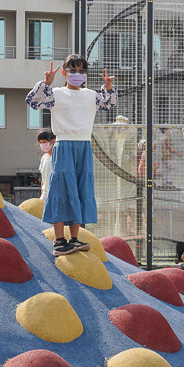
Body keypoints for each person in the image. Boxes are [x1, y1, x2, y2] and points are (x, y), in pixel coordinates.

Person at [26, 54, 116, 256]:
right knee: (60, 190)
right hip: (64, 145)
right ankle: (59, 240)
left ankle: (74, 239)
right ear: (64, 73)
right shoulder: (55, 93)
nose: (77, 74)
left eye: (82, 70)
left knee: (81, 189)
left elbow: (109, 105)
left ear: (86, 74)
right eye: (72, 70)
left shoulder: (91, 95)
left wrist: (108, 89)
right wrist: (45, 83)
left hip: (84, 146)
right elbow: (32, 101)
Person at [36, 129, 56, 200]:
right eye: (40, 143)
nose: (42, 145)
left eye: (44, 142)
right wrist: (42, 193)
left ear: (53, 141)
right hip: (45, 193)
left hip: (55, 193)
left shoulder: (57, 157)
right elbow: (43, 179)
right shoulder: (44, 158)